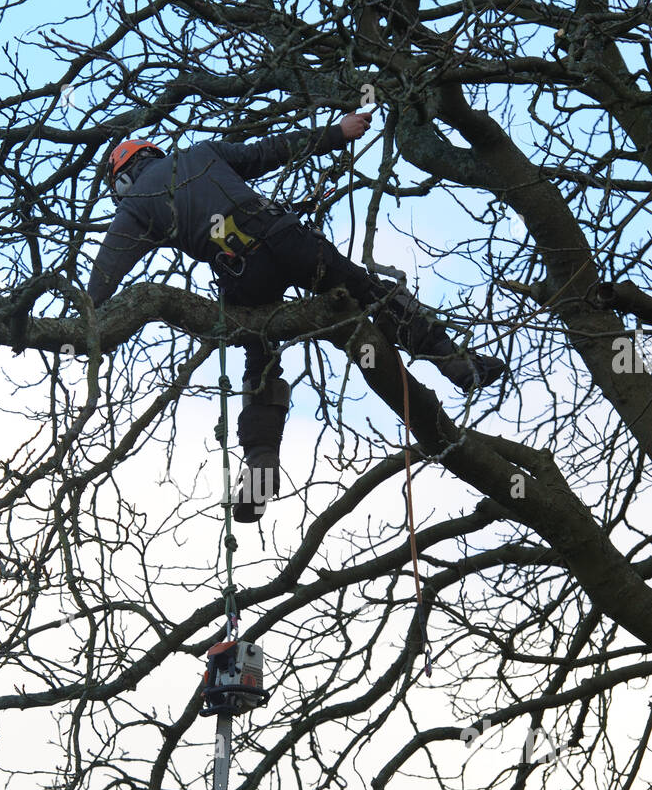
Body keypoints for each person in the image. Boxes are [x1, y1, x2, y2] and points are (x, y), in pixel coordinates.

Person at [87, 111, 505, 522]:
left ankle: (261, 464)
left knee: (260, 357)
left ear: (123, 179)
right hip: (285, 236)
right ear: (152, 154)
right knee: (367, 290)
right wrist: (337, 133)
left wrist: (90, 323)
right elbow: (273, 150)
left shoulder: (135, 207)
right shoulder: (201, 153)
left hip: (242, 271)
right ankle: (454, 360)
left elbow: (106, 271)